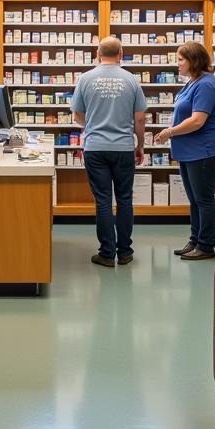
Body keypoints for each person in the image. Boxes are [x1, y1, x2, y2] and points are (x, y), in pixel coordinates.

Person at [70, 36, 146, 268]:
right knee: (124, 199)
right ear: (121, 53)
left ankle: (106, 253)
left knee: (102, 200)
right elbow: (140, 118)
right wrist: (140, 145)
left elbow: (77, 115)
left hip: (95, 147)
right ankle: (124, 253)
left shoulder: (85, 78)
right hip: (123, 147)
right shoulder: (131, 79)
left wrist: (92, 126)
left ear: (97, 53)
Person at [155, 41, 215, 261]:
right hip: (190, 151)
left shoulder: (206, 84)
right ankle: (195, 240)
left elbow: (197, 121)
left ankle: (206, 246)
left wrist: (169, 132)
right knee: (195, 199)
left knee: (203, 199)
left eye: (180, 59)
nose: (177, 64)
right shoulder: (192, 82)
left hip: (204, 151)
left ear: (193, 61)